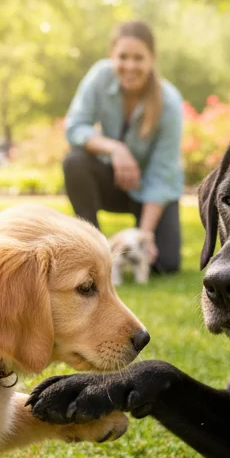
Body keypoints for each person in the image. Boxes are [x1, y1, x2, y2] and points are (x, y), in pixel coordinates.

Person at [62, 20, 184, 274]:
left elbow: (162, 174)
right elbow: (75, 126)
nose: (130, 66)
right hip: (114, 180)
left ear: (151, 59)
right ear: (112, 56)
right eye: (123, 57)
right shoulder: (99, 77)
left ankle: (129, 242)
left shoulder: (170, 103)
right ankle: (92, 250)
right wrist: (115, 149)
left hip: (151, 192)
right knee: (74, 162)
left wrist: (145, 235)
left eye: (138, 58)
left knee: (165, 265)